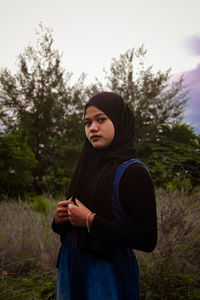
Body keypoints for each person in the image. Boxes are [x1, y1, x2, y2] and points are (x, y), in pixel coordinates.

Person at [52, 92, 157, 300]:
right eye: (87, 122)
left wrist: (90, 221)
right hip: (72, 270)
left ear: (118, 120)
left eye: (101, 119)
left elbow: (147, 239)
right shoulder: (86, 168)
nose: (92, 128)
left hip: (107, 277)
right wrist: (59, 220)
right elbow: (69, 228)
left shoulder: (132, 172)